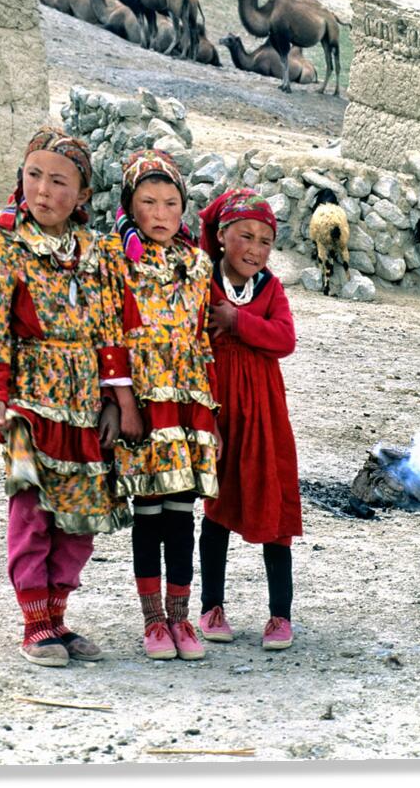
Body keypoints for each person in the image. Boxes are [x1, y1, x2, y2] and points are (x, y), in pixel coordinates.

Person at [0, 126, 130, 668]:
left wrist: (114, 400)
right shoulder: (2, 245)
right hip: (28, 401)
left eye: (58, 181)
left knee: (79, 514)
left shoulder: (98, 253)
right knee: (33, 510)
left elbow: (111, 328)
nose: (42, 190)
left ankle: (57, 616)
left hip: (85, 403)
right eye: (33, 174)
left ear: (83, 195)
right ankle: (34, 621)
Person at [98, 149, 221, 661]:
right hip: (144, 401)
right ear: (131, 205)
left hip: (189, 401)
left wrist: (212, 414)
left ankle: (181, 618)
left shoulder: (197, 263)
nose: (162, 213)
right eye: (148, 201)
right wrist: (123, 401)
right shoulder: (115, 260)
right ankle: (152, 622)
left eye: (171, 202)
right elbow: (110, 333)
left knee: (181, 511)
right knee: (148, 510)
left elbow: (201, 340)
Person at [197, 188, 302, 650]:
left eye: (265, 240)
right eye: (246, 236)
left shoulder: (271, 289)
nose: (256, 249)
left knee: (274, 506)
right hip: (219, 412)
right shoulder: (203, 284)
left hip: (264, 414)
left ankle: (280, 615)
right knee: (218, 505)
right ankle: (210, 606)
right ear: (221, 237)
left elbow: (284, 339)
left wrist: (237, 323)